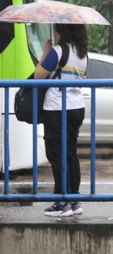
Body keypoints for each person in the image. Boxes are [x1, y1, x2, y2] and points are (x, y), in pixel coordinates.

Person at [34, 23, 88, 217]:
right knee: (70, 154)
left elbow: (39, 75)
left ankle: (61, 202)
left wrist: (45, 52)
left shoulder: (57, 51)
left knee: (56, 154)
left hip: (57, 108)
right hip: (76, 108)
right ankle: (74, 200)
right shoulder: (82, 53)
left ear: (62, 31)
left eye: (57, 28)